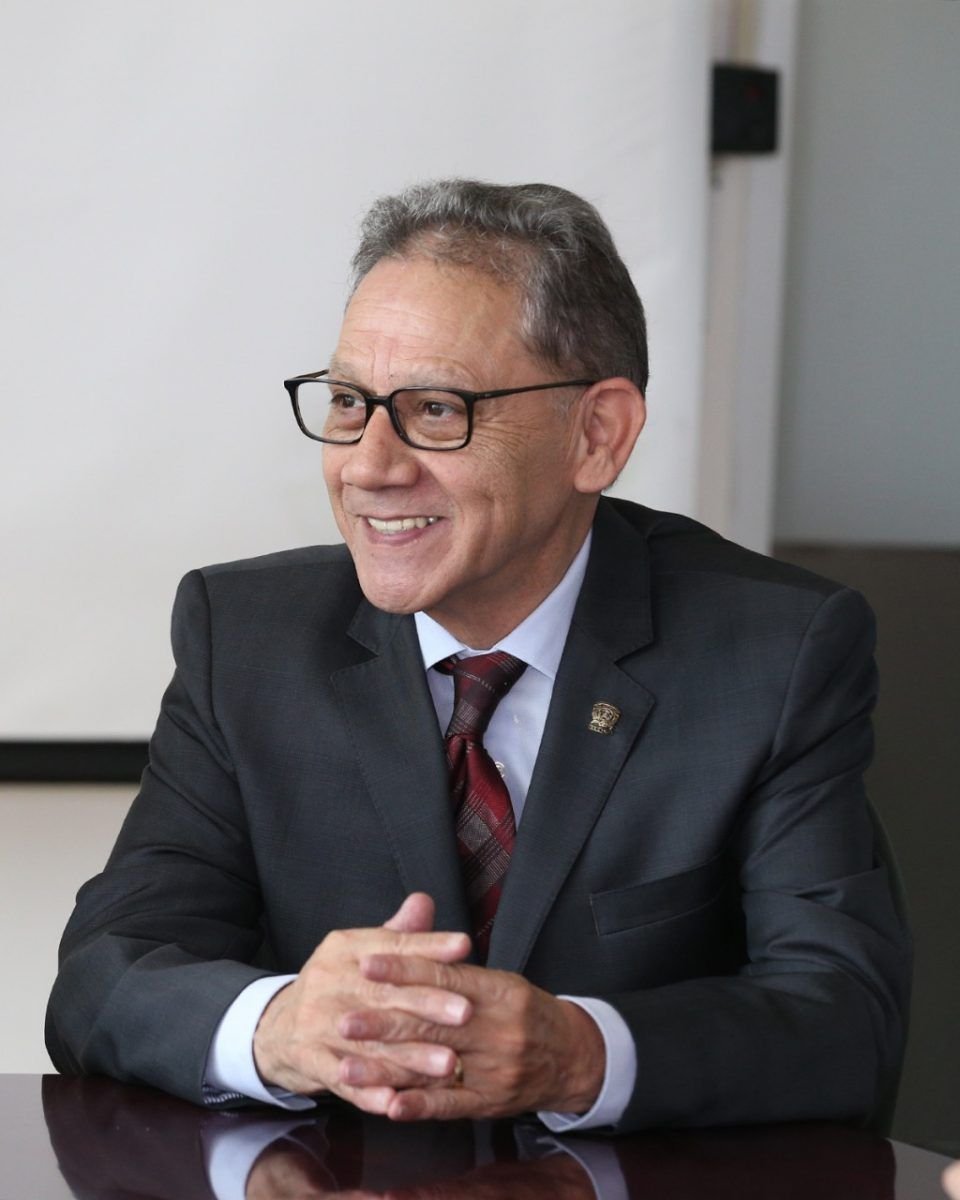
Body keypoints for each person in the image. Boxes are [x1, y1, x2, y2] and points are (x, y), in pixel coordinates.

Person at [46, 180, 910, 1135]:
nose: (368, 465)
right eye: (349, 402)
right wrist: (282, 1029)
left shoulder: (773, 652)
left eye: (436, 409)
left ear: (597, 435)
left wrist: (578, 1055)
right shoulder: (246, 635)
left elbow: (844, 1021)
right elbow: (104, 977)